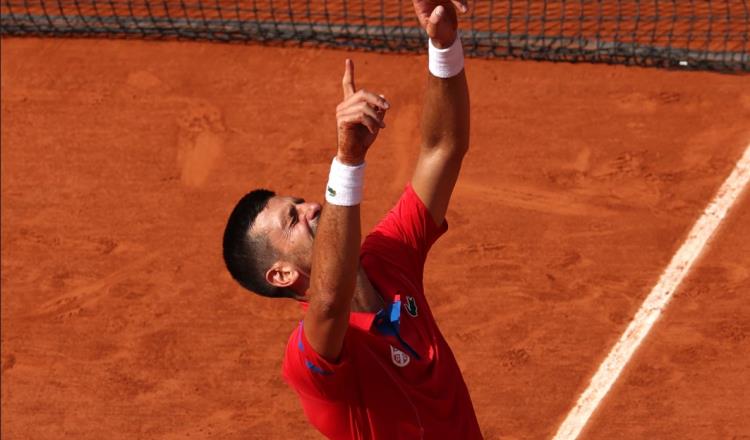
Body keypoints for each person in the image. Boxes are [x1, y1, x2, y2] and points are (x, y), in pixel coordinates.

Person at [222, 1, 481, 438]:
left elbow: (443, 148)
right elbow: (327, 299)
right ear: (282, 273)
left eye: (301, 201)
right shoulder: (309, 357)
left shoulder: (387, 255)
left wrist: (444, 45)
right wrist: (348, 161)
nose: (312, 207)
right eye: (293, 219)